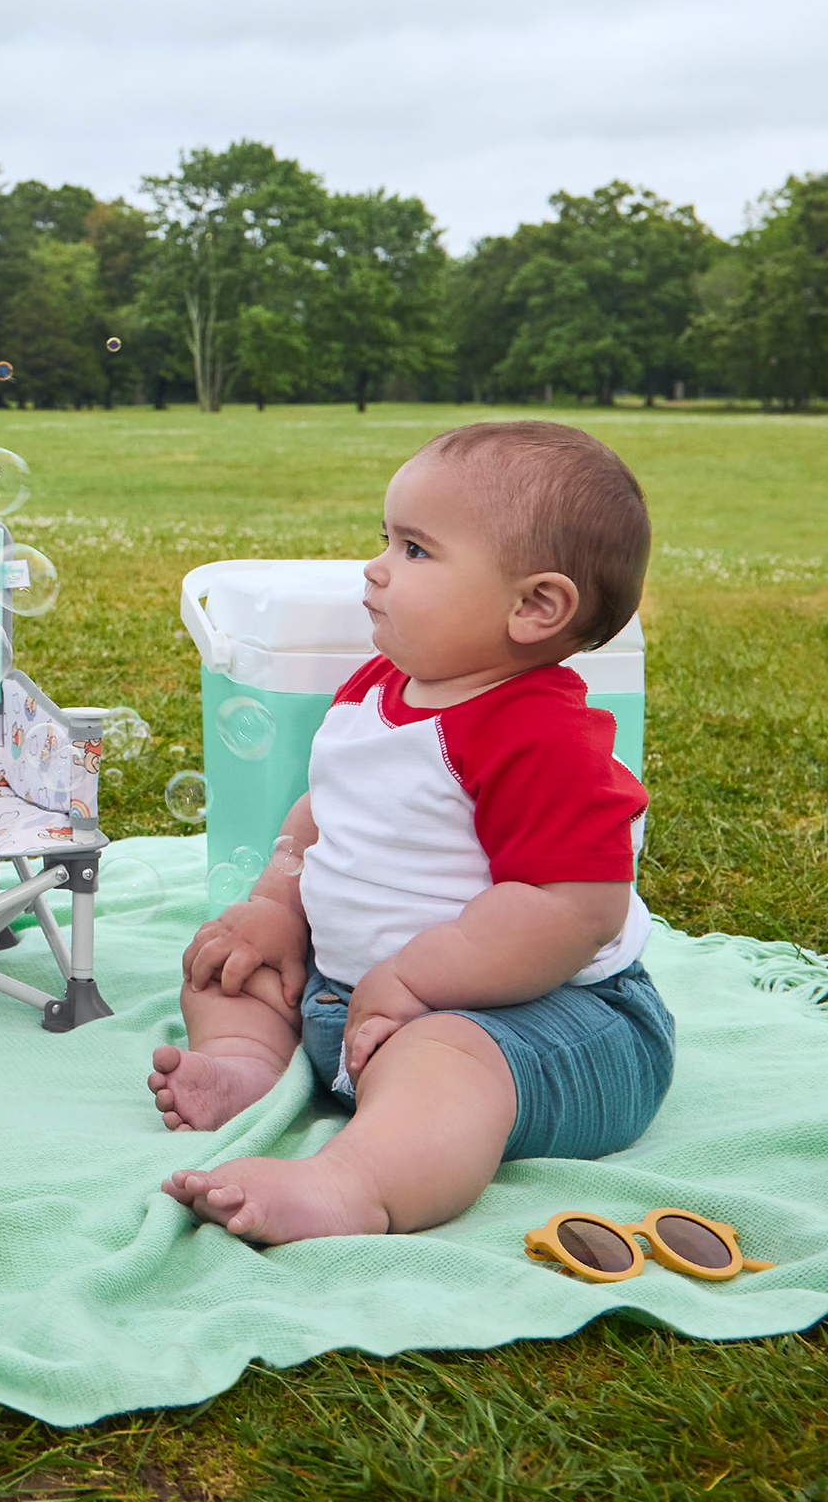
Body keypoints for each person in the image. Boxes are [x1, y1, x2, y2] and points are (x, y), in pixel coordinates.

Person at [149, 420, 673, 1245]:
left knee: (444, 1060)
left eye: (416, 550)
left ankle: (354, 1184)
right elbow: (323, 809)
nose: (376, 567)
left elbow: (574, 908)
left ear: (535, 606)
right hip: (353, 1001)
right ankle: (251, 1071)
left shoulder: (540, 736)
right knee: (229, 965)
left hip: (543, 1024)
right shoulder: (379, 686)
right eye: (385, 539)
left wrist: (418, 982)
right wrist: (275, 908)